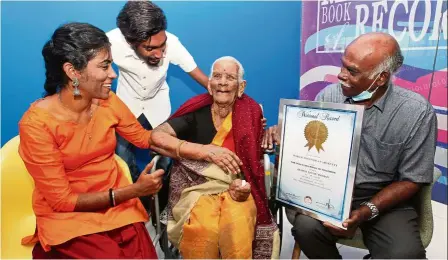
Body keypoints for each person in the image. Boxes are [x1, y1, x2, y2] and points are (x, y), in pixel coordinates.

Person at [263, 32, 437, 259]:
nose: (340, 75)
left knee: (405, 254)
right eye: (343, 66)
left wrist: (365, 212)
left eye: (352, 71)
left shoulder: (416, 112)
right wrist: (284, 133)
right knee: (306, 227)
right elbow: (310, 142)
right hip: (328, 192)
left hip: (384, 199)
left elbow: (413, 179)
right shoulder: (329, 96)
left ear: (381, 78)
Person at [18, 22, 165, 259]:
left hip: (118, 212)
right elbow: (62, 202)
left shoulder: (108, 101)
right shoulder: (36, 124)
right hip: (69, 218)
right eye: (105, 66)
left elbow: (143, 138)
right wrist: (134, 191)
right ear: (73, 71)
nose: (113, 74)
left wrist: (198, 146)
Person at [150, 56, 280, 259]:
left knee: (237, 224)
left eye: (229, 77)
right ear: (209, 85)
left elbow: (253, 159)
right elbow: (156, 137)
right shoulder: (196, 109)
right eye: (217, 76)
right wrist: (206, 151)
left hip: (237, 187)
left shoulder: (251, 112)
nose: (222, 83)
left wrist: (243, 185)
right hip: (195, 187)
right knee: (204, 229)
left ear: (241, 86)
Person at [107, 1, 209, 183]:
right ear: (131, 42)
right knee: (122, 157)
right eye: (150, 48)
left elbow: (201, 77)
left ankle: (158, 195)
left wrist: (236, 99)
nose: (160, 54)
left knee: (164, 159)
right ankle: (135, 197)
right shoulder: (111, 42)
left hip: (158, 108)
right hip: (126, 107)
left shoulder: (173, 42)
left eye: (162, 47)